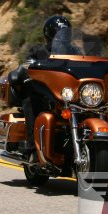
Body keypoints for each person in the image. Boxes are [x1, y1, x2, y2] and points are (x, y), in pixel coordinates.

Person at [9, 15, 75, 156]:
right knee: (31, 101)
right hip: (45, 94)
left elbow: (87, 65)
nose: (62, 37)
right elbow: (27, 64)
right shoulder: (39, 52)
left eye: (65, 33)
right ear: (50, 35)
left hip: (69, 95)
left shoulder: (75, 53)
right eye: (58, 34)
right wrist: (24, 69)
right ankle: (32, 147)